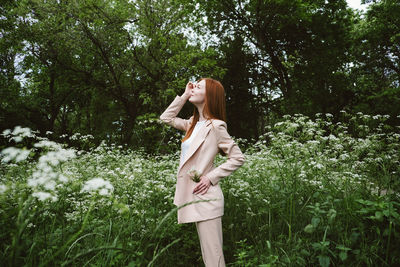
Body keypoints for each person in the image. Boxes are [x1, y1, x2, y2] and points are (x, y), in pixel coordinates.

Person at [159, 78, 245, 266]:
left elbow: (238, 158)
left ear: (210, 96)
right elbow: (166, 118)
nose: (193, 88)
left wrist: (211, 177)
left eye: (199, 87)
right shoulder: (192, 124)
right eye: (194, 85)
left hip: (207, 198)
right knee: (209, 258)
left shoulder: (216, 126)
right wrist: (183, 96)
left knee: (214, 258)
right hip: (195, 197)